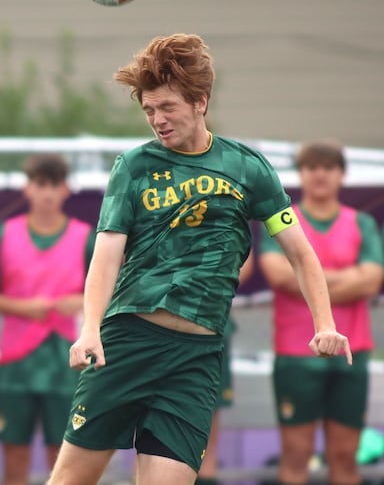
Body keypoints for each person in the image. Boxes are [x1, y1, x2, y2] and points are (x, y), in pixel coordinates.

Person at [45, 33, 352, 485]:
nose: (157, 120)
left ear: (200, 102)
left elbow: (301, 255)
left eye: (167, 107)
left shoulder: (248, 167)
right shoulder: (133, 167)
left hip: (195, 357)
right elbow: (107, 257)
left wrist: (324, 323)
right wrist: (90, 329)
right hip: (127, 342)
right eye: (149, 110)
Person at [258, 139, 384, 485]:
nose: (320, 175)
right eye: (312, 167)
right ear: (300, 174)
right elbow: (278, 274)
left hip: (351, 353)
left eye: (329, 167)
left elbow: (372, 280)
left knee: (345, 457)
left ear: (342, 175)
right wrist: (347, 278)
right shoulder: (283, 221)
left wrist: (309, 276)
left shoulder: (361, 223)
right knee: (296, 455)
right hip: (296, 355)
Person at [0, 154, 96, 485]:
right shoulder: (4, 234)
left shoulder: (85, 237)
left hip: (67, 364)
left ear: (65, 190)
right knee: (14, 460)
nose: (47, 193)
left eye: (54, 185)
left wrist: (81, 301)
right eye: (40, 184)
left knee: (63, 461)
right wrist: (26, 308)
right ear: (28, 188)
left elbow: (108, 292)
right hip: (17, 362)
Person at [195, 253, 253, 485]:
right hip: (154, 327)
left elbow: (244, 259)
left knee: (207, 424)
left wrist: (203, 283)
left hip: (212, 328)